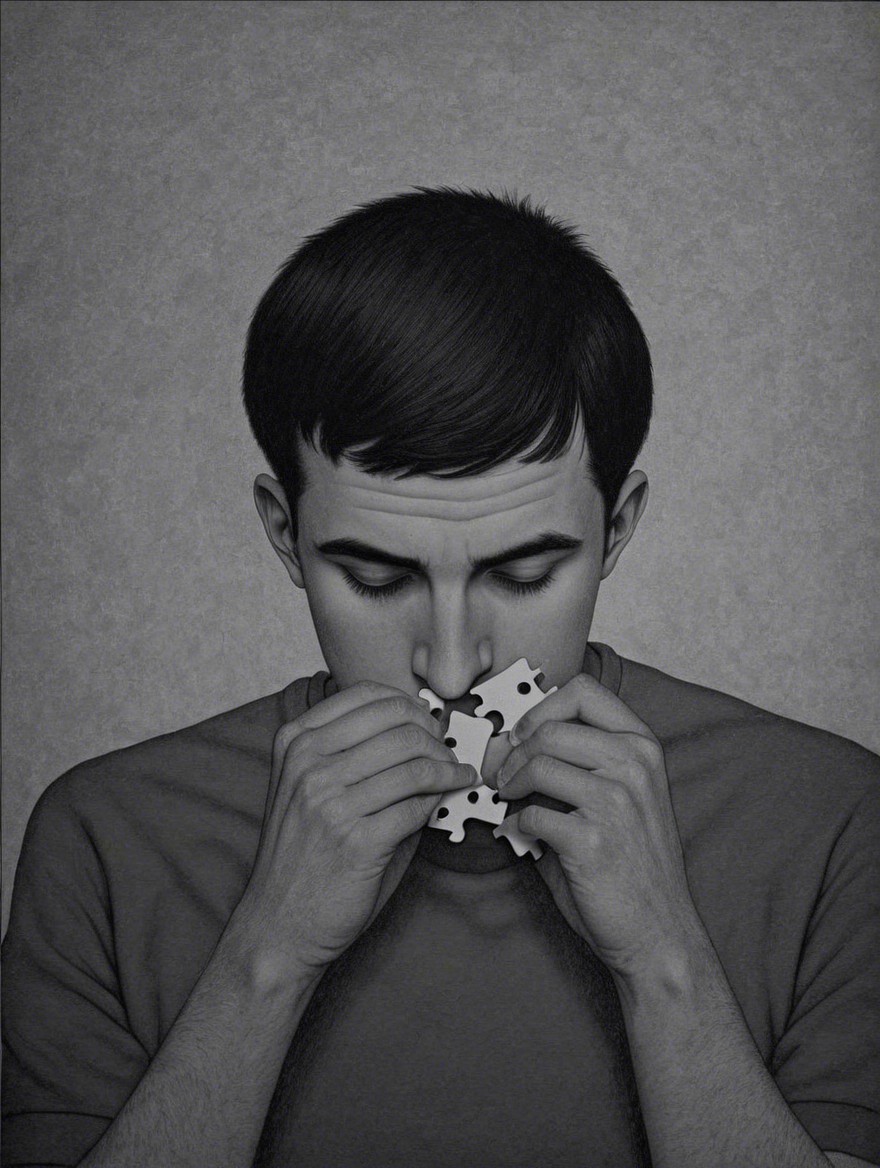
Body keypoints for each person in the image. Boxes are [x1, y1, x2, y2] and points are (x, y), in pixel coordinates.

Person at [3, 188, 878, 1168]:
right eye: (377, 576)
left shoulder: (834, 820)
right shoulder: (106, 837)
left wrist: (664, 961)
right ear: (284, 533)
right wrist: (268, 952)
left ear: (616, 528)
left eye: (523, 570)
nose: (454, 661)